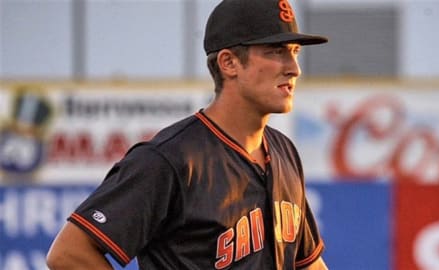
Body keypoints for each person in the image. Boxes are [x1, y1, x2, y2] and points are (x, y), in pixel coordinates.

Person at [46, 0, 329, 269]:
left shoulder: (284, 152)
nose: (294, 68)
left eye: (294, 52)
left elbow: (309, 264)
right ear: (229, 63)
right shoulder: (171, 158)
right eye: (275, 51)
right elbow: (69, 253)